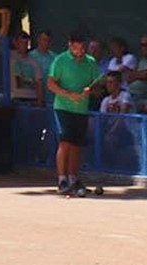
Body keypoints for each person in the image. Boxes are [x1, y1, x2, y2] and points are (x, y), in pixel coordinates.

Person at [47, 31, 100, 195]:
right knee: (65, 142)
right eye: (76, 48)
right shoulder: (60, 60)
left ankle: (73, 179)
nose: (80, 52)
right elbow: (51, 84)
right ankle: (62, 180)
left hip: (81, 109)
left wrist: (90, 90)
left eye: (83, 48)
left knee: (77, 144)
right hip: (63, 107)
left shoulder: (91, 62)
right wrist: (68, 94)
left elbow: (98, 86)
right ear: (70, 45)